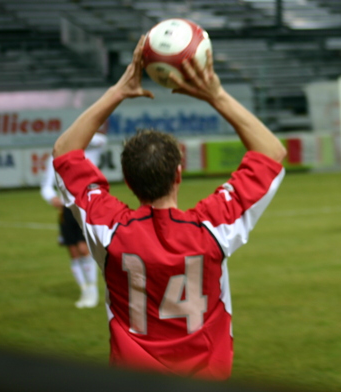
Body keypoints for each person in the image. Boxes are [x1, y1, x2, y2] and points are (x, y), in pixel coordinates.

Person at [51, 37, 286, 380]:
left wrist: (118, 90)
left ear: (128, 182)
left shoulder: (110, 231)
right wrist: (215, 95)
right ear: (179, 172)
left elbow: (65, 152)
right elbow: (271, 152)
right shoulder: (213, 227)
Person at [41, 133, 107, 308]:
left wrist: (77, 132)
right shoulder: (54, 160)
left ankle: (92, 290)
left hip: (84, 207)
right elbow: (46, 186)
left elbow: (100, 139)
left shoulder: (87, 153)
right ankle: (84, 290)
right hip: (66, 210)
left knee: (84, 248)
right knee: (73, 251)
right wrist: (51, 198)